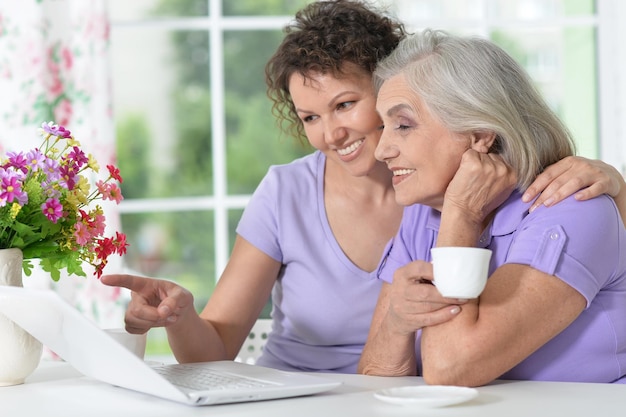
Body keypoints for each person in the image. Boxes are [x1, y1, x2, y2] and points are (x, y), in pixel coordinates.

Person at [101, 1, 625, 374]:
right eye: (309, 116)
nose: (332, 134)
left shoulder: (468, 199)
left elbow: (447, 365)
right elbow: (382, 369)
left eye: (347, 105)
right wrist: (181, 315)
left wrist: (618, 192)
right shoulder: (412, 208)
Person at [357, 28, 626, 385]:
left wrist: (462, 216)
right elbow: (374, 379)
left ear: (481, 134)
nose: (381, 150)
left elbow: (451, 370)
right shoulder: (421, 215)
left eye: (403, 125)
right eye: (383, 126)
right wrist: (396, 324)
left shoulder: (573, 209)